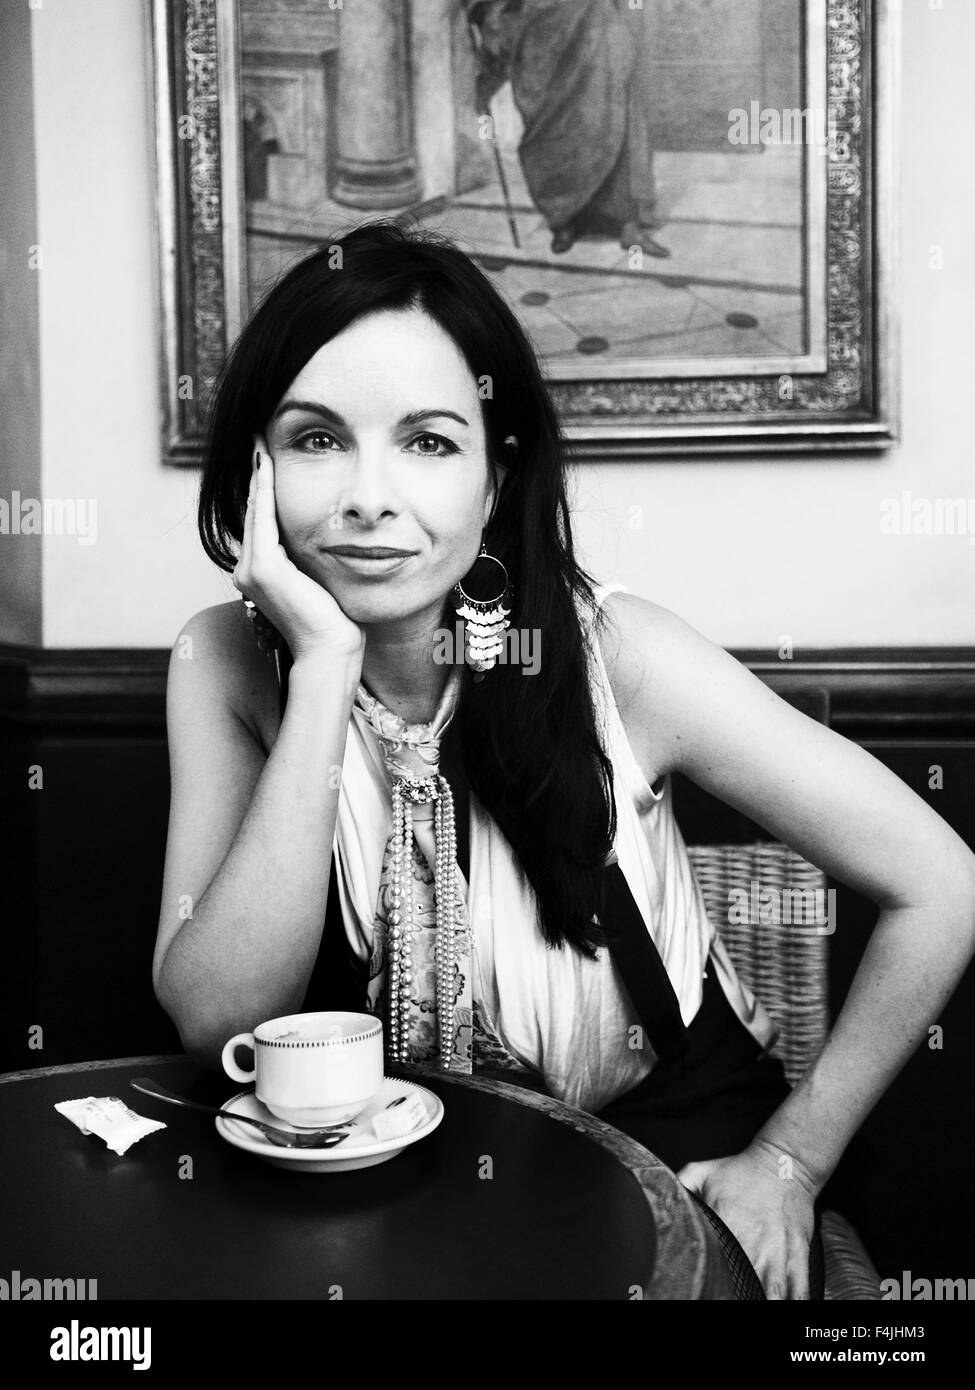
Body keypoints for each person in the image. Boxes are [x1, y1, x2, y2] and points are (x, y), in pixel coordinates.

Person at [153, 219, 975, 1301]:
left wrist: (790, 1161)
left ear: (495, 480)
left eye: (429, 442)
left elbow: (942, 884)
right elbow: (218, 1021)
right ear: (255, 472)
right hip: (406, 1193)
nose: (367, 493)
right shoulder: (223, 661)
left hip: (670, 1157)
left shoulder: (619, 657)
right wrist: (322, 673)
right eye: (315, 439)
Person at [464, 0, 671, 257]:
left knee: (620, 114)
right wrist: (488, 17)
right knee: (558, 130)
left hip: (599, 21)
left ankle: (629, 224)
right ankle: (565, 220)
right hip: (544, 35)